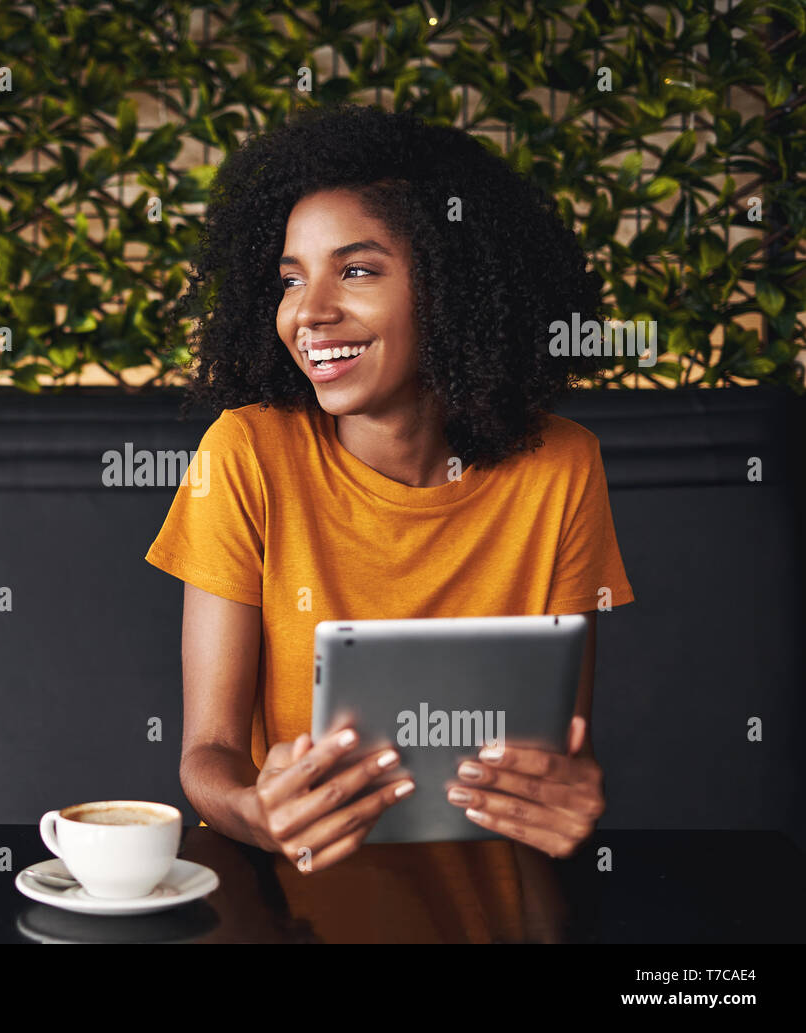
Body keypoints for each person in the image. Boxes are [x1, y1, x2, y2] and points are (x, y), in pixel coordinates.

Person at [145, 103, 635, 874]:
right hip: (287, 901)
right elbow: (206, 754)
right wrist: (254, 811)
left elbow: (558, 747)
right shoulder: (245, 454)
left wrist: (571, 794)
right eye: (291, 279)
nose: (309, 312)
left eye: (358, 269)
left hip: (494, 896)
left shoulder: (562, 467)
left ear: (453, 288)